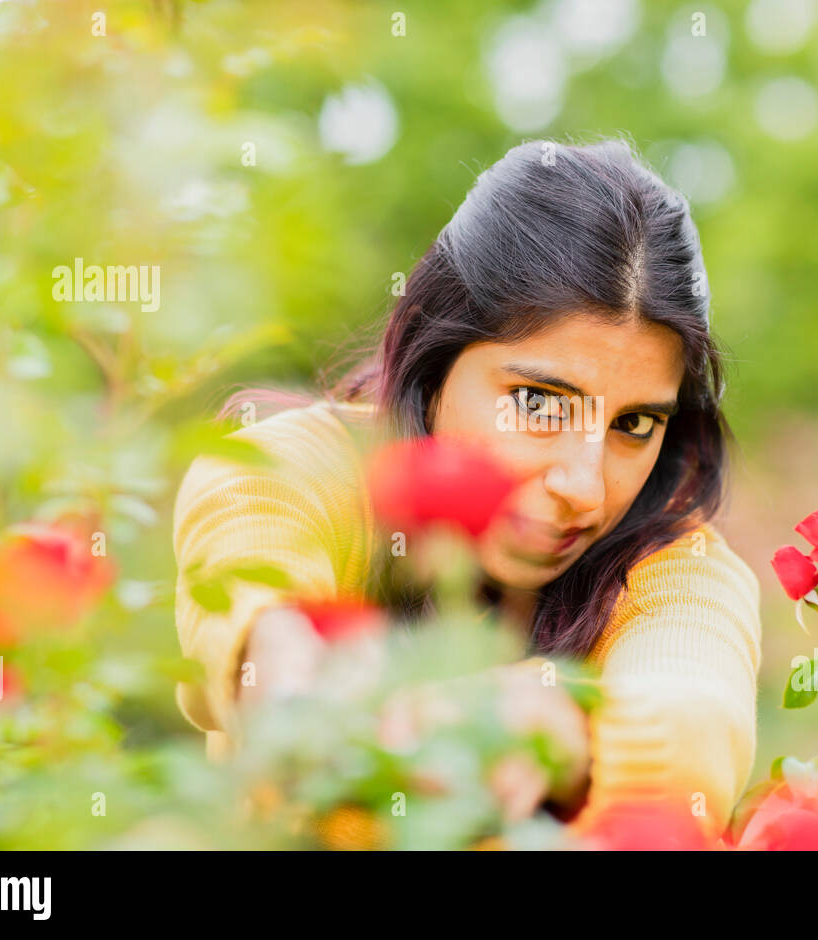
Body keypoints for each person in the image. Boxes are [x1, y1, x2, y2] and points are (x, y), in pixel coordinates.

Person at [171, 136, 762, 837]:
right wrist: (299, 672)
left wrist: (563, 728)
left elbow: (694, 707)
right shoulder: (310, 470)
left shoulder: (676, 568)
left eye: (634, 424)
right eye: (540, 402)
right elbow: (254, 572)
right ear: (437, 357)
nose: (584, 487)